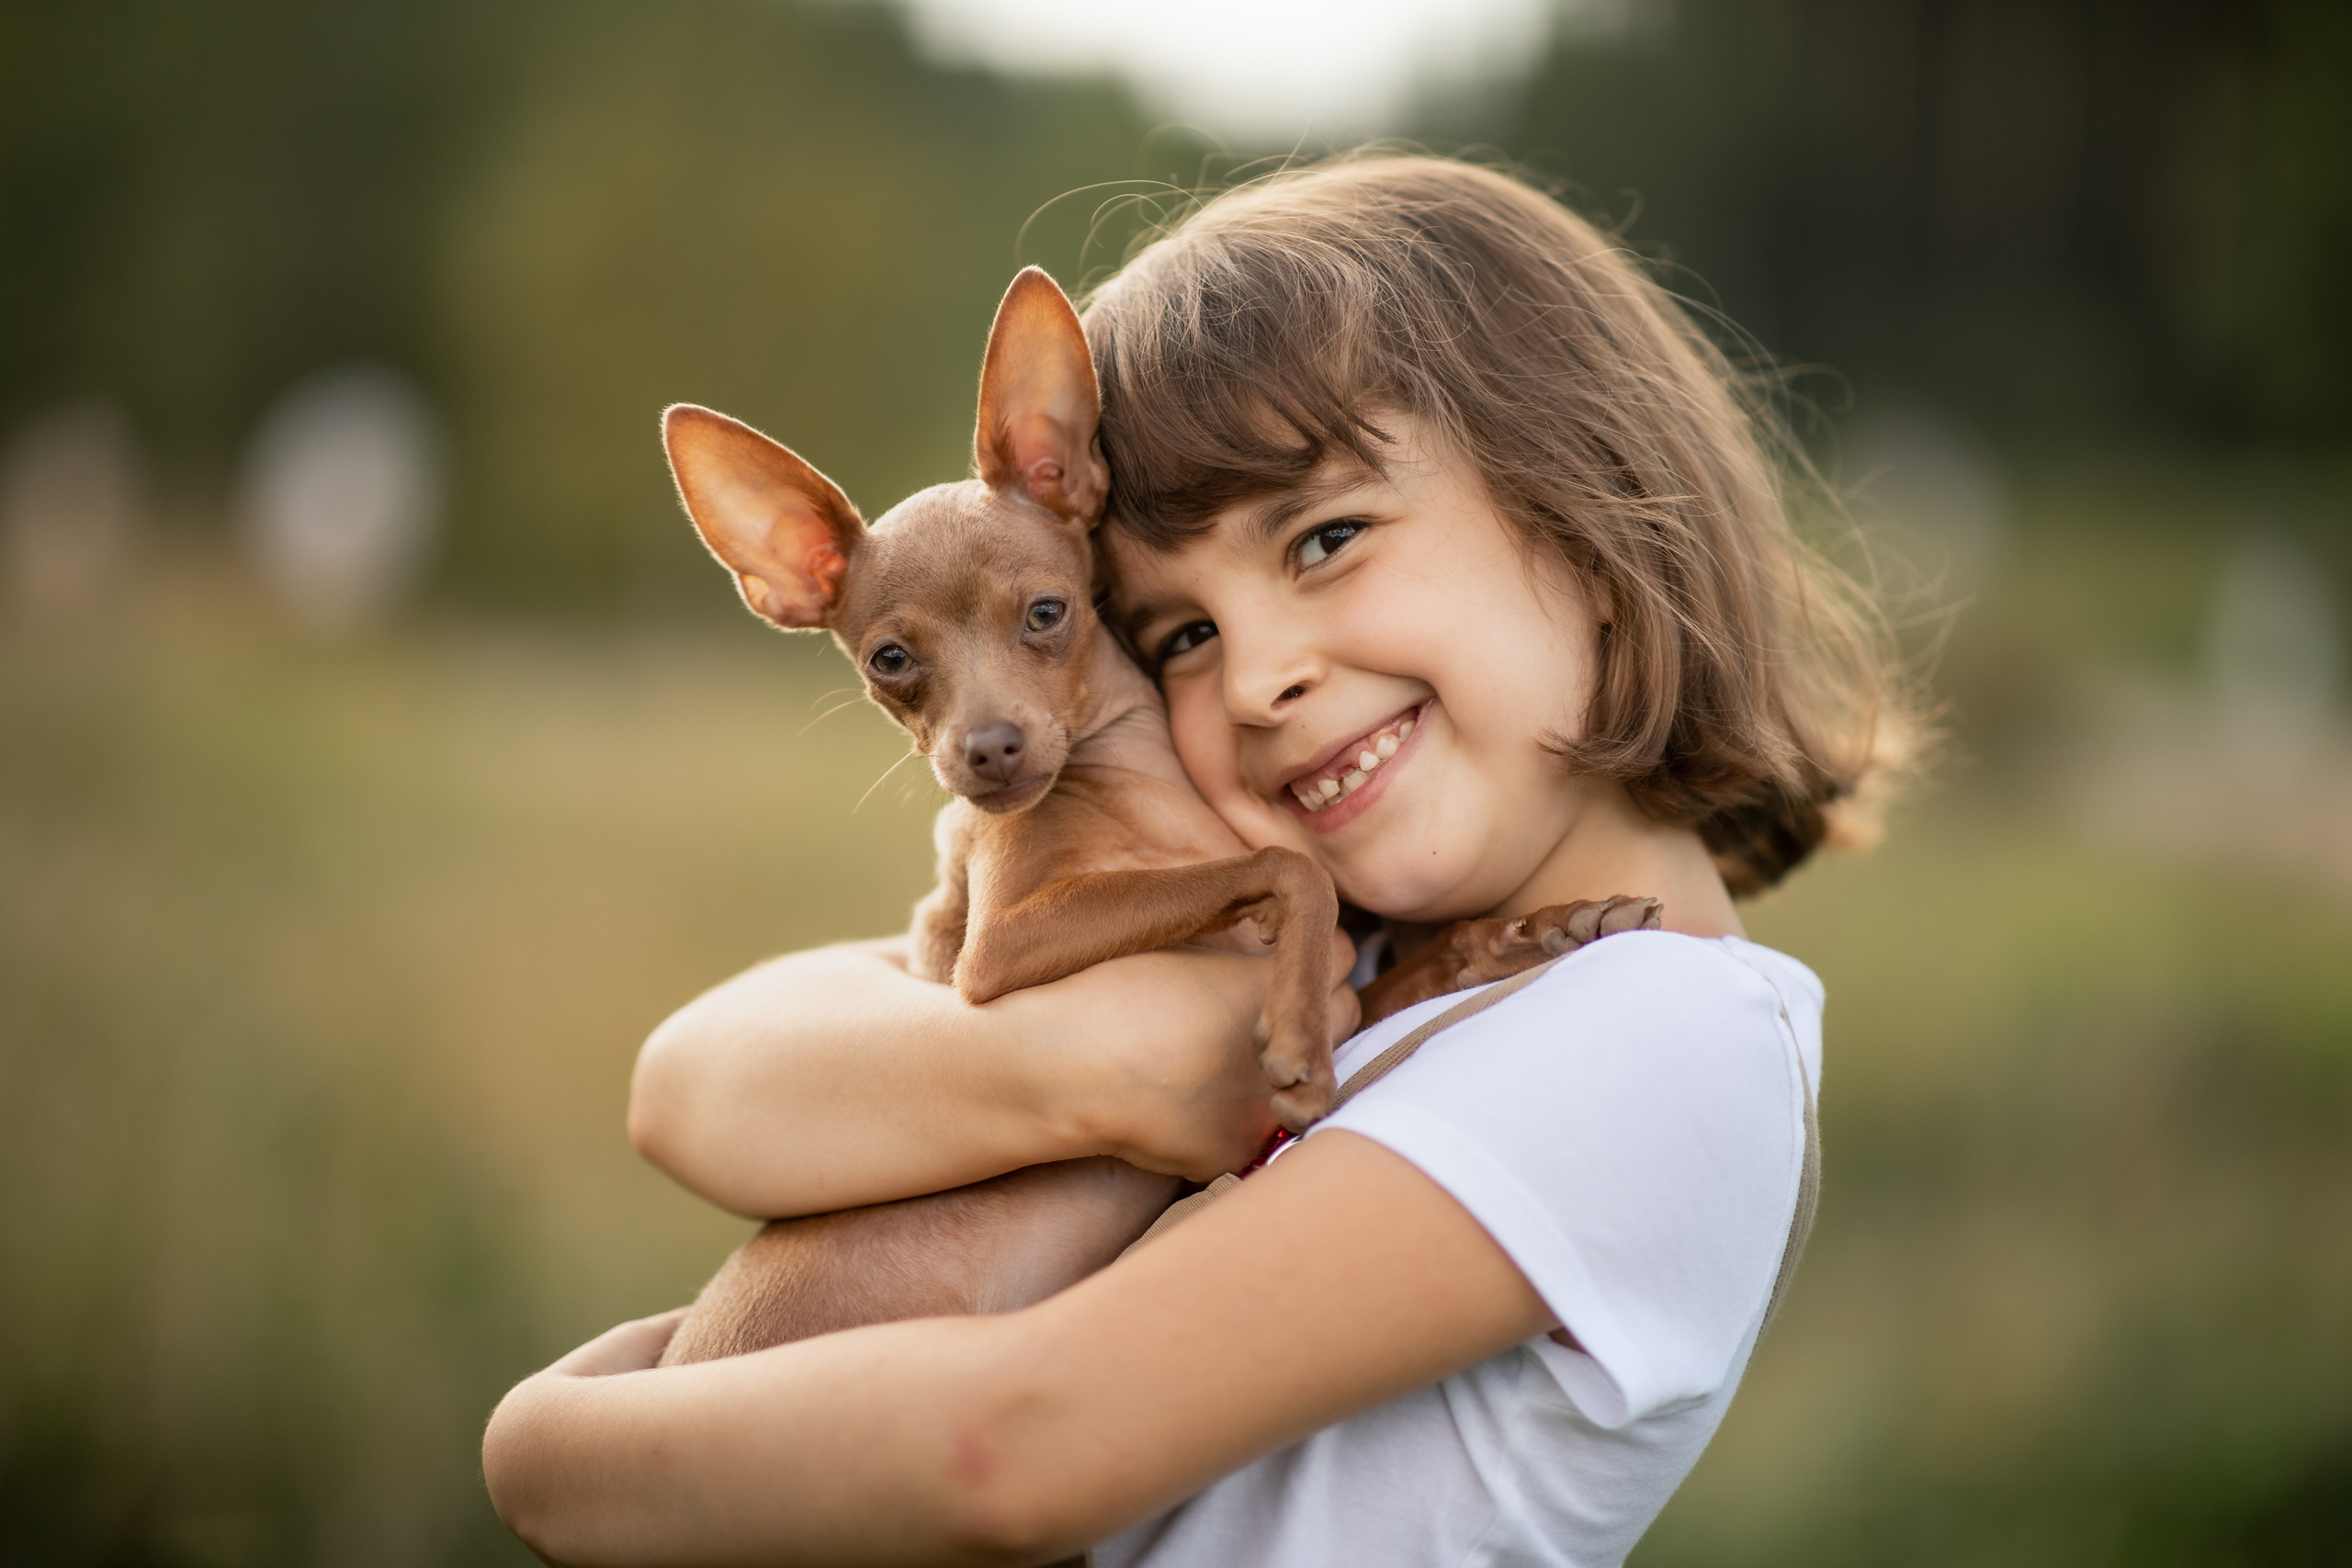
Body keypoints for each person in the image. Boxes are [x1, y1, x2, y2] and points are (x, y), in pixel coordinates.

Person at [482, 154, 1918, 1566]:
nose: (1252, 684)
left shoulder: (1668, 1036)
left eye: (1329, 537)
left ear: (1593, 527)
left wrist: (549, 1444)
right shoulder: (1355, 942)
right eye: (1176, 635)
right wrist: (1102, 1063)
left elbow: (1004, 1458)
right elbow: (688, 1083)